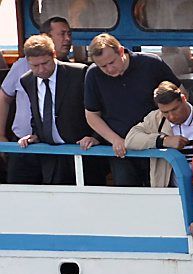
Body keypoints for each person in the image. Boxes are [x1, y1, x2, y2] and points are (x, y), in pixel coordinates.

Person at [84, 33, 181, 187]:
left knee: (163, 192)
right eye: (103, 66)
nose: (109, 69)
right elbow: (91, 115)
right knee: (127, 196)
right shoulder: (93, 74)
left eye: (112, 62)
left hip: (157, 144)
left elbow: (180, 95)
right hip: (122, 150)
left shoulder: (151, 63)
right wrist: (115, 139)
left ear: (121, 51)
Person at [15, 34, 97, 185]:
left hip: (83, 152)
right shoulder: (26, 80)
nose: (41, 70)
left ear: (53, 55)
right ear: (28, 62)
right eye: (34, 66)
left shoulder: (79, 73)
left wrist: (94, 137)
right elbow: (37, 113)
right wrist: (35, 135)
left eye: (45, 63)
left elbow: (98, 109)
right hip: (51, 156)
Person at [1, 16, 74, 183]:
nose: (67, 39)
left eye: (69, 34)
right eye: (62, 34)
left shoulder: (74, 72)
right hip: (22, 143)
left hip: (57, 146)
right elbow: (4, 97)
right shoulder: (21, 67)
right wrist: (1, 135)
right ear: (45, 37)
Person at [125, 81, 193, 187]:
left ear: (184, 99)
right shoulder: (155, 118)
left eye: (175, 109)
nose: (171, 116)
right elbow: (130, 139)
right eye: (165, 112)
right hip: (170, 193)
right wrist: (163, 140)